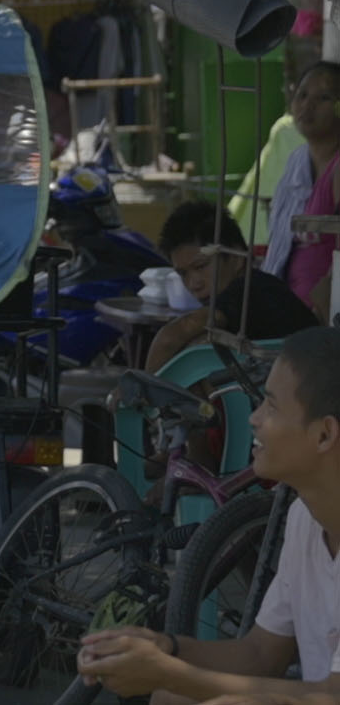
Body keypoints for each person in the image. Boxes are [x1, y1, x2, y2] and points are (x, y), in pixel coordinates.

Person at [78, 326, 340, 702]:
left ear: (324, 435)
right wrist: (165, 648)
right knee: (170, 696)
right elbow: (259, 654)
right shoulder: (304, 518)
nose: (254, 418)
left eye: (272, 406)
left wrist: (171, 673)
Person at [146, 201, 319, 374]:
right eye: (183, 274)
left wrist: (138, 394)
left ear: (236, 258)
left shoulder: (251, 289)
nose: (193, 283)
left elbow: (173, 335)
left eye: (200, 266)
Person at [261, 63, 340, 317]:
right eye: (302, 95)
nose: (308, 106)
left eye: (323, 98)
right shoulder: (297, 160)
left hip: (324, 316)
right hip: (287, 305)